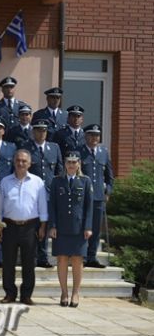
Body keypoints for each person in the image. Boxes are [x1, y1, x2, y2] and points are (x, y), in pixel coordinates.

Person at [0, 149, 48, 305]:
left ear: (30, 163)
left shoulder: (37, 182)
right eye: (18, 160)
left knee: (28, 262)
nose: (21, 163)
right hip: (9, 225)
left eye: (24, 161)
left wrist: (43, 226)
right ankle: (9, 293)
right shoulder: (5, 181)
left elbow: (42, 206)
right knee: (8, 262)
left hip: (30, 226)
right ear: (14, 161)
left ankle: (26, 294)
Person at [48, 151, 93, 308]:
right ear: (65, 164)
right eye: (69, 162)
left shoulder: (85, 181)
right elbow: (52, 205)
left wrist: (88, 227)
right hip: (60, 227)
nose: (71, 165)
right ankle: (64, 292)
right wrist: (52, 226)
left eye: (74, 162)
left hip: (79, 228)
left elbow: (89, 207)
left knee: (77, 260)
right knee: (61, 259)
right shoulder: (57, 181)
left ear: (79, 164)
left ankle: (75, 293)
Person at [27, 119, 63, 268]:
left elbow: (59, 170)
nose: (41, 133)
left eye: (43, 130)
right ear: (33, 131)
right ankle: (31, 256)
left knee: (45, 226)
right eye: (38, 130)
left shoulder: (54, 148)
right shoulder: (26, 148)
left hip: (48, 194)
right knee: (32, 226)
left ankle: (42, 256)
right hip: (31, 194)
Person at [79, 124, 114, 268]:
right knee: (82, 227)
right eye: (92, 135)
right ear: (86, 136)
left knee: (95, 227)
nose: (95, 138)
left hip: (99, 197)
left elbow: (109, 175)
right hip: (82, 197)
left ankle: (91, 257)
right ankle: (80, 255)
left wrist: (108, 191)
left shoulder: (103, 152)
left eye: (97, 135)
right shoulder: (79, 152)